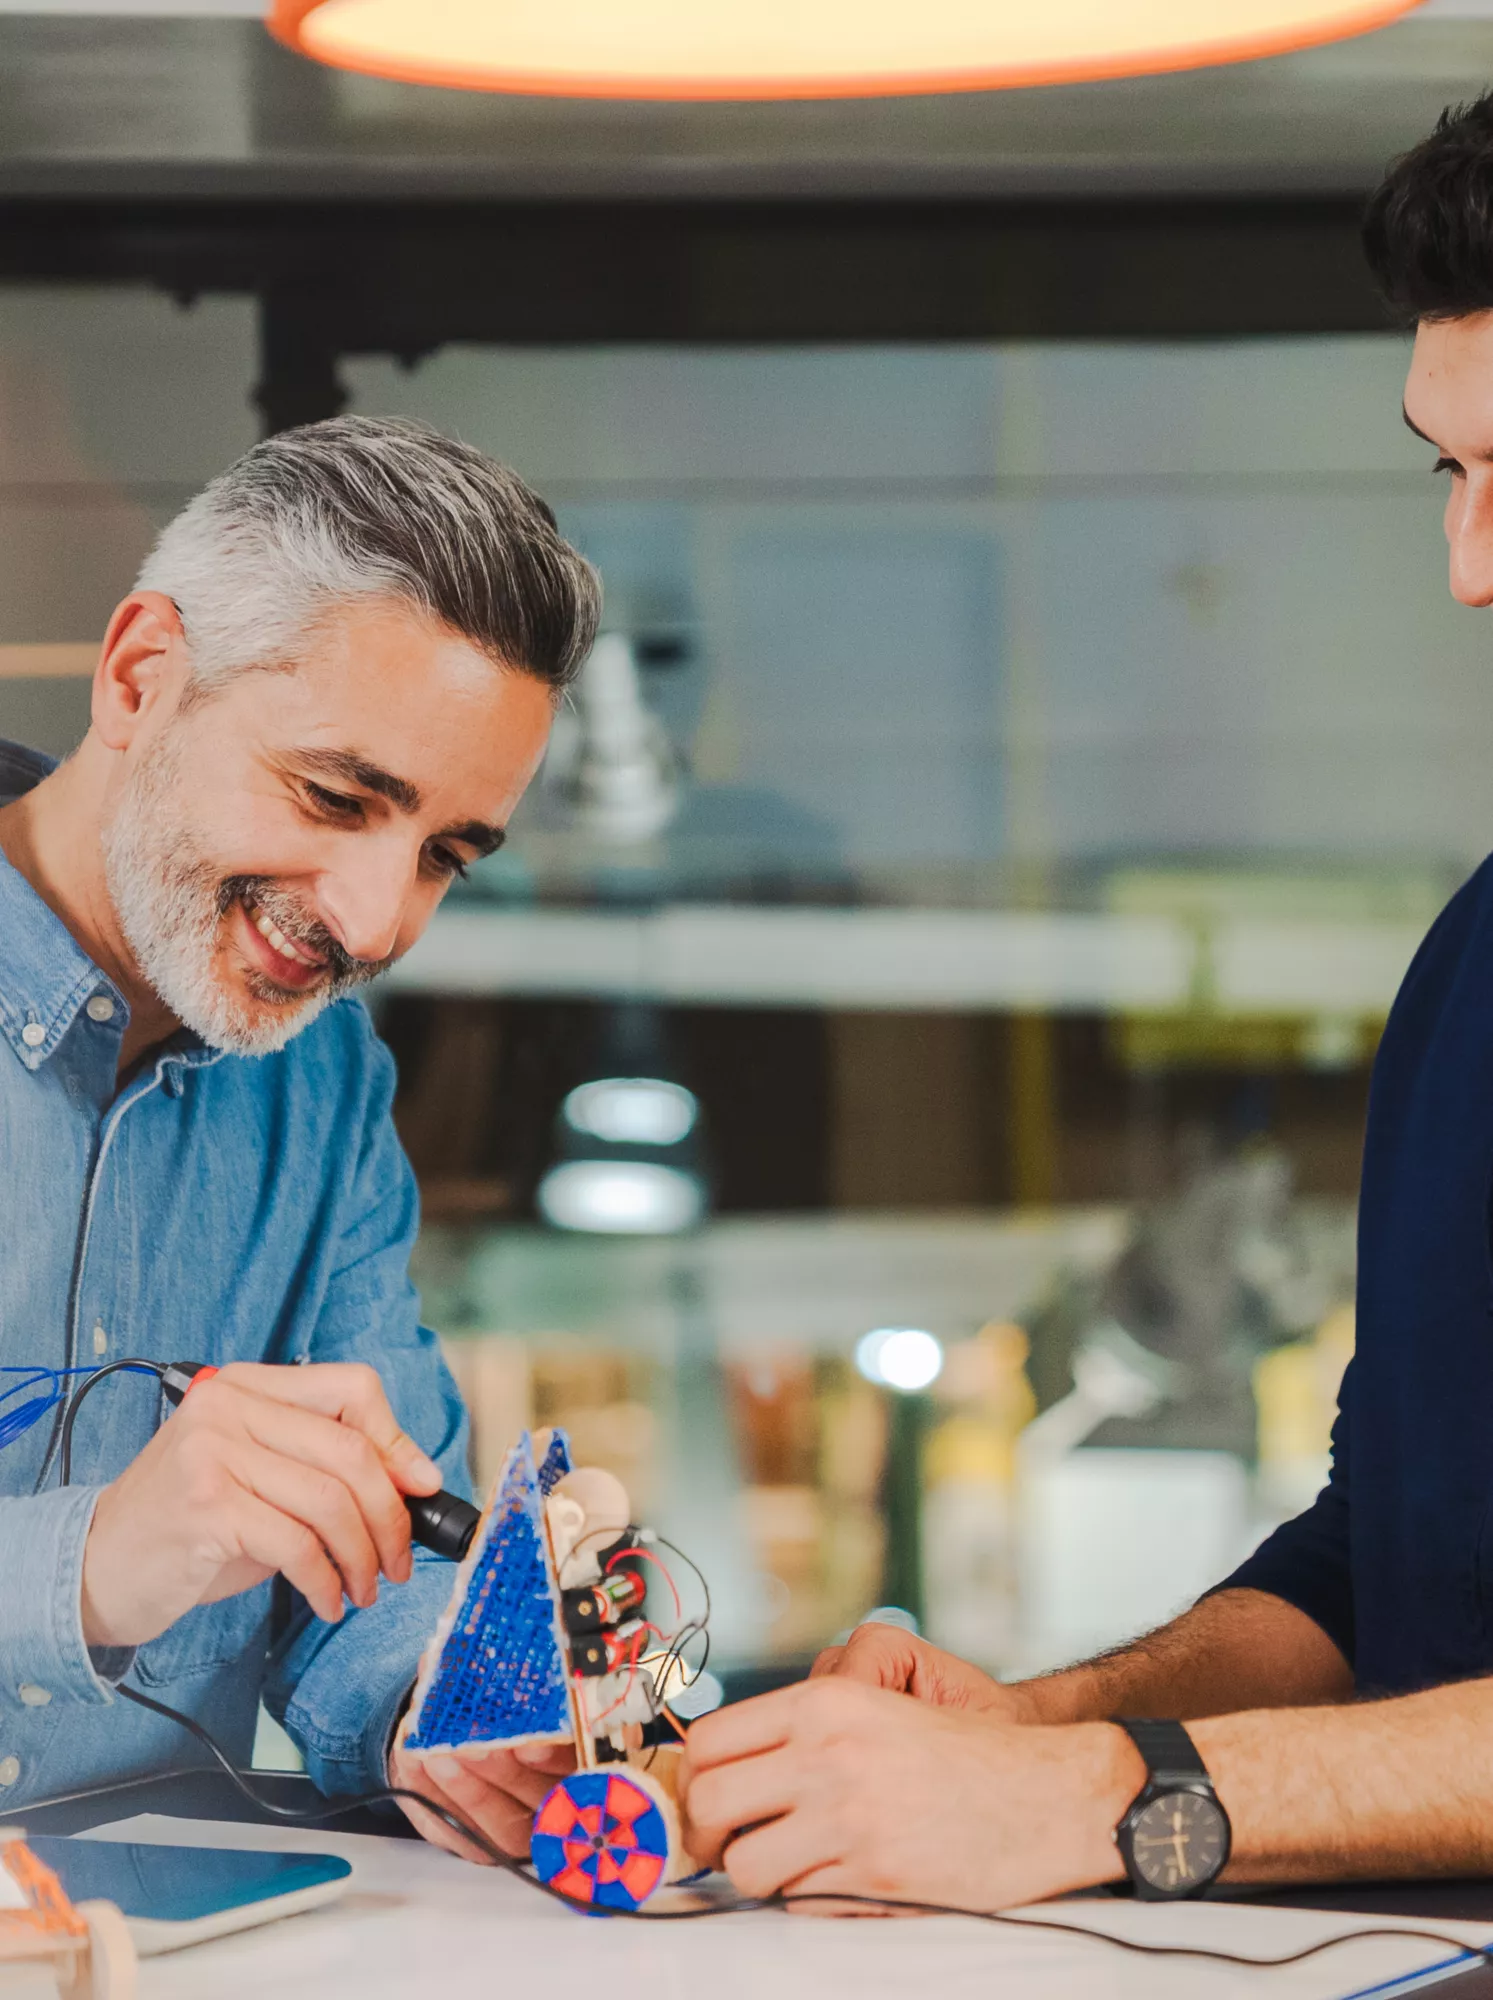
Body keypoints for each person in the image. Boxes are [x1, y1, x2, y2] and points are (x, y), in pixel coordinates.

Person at [680, 93, 1493, 1911]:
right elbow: (1384, 1574)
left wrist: (1117, 1804)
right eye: (1453, 471)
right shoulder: (1478, 962)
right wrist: (1026, 1741)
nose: (1472, 569)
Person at [0, 414, 598, 1863]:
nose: (379, 918)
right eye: (339, 796)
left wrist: (462, 1714)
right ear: (144, 676)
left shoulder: (321, 1089)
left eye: (446, 854)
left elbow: (374, 1577)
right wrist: (96, 1564)